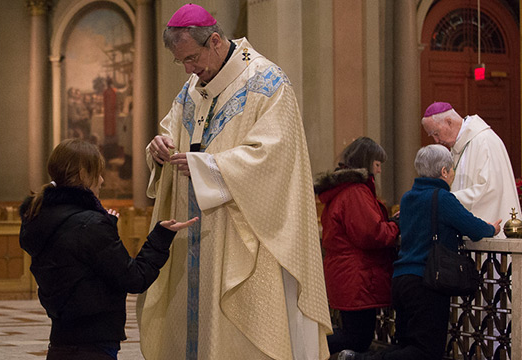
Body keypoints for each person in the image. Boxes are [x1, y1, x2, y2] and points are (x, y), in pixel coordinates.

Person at [141, 4, 331, 359]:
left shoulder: (268, 82)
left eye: (192, 58)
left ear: (214, 40)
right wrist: (159, 147)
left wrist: (210, 167)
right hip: (193, 237)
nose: (188, 69)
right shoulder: (192, 89)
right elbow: (172, 130)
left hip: (241, 234)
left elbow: (275, 156)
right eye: (180, 62)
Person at [18, 138, 197, 360]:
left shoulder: (39, 217)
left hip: (60, 343)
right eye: (98, 173)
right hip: (93, 346)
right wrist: (161, 236)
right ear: (84, 174)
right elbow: (134, 278)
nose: (102, 180)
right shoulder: (90, 225)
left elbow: (76, 265)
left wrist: (104, 227)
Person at [338, 144, 501, 360]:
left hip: (401, 280)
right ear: (444, 171)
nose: (452, 174)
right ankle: (359, 359)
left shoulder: (407, 198)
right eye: (451, 169)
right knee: (426, 351)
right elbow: (475, 228)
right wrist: (493, 228)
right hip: (427, 281)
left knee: (406, 344)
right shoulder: (442, 198)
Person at [314, 137, 399, 355]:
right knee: (356, 337)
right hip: (357, 276)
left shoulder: (345, 190)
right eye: (377, 164)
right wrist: (396, 226)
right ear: (367, 162)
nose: (379, 171)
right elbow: (370, 234)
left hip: (349, 273)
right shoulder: (355, 192)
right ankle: (303, 351)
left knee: (354, 336)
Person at [421, 101, 519, 238]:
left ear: (449, 122)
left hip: (491, 229)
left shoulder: (485, 141)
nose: (436, 140)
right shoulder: (457, 148)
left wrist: (442, 200)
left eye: (436, 133)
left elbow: (488, 189)